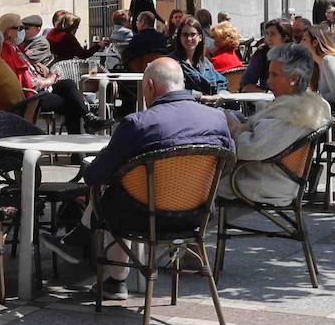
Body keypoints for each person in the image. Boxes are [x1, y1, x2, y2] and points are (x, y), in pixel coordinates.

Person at [40, 58, 233, 297]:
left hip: (143, 215)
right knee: (127, 190)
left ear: (149, 86)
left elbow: (94, 175)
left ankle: (102, 266)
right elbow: (226, 161)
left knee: (110, 192)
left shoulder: (139, 123)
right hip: (196, 214)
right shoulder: (216, 119)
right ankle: (111, 278)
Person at [220, 44, 332, 203]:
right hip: (270, 176)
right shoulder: (306, 105)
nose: (268, 81)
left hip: (264, 182)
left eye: (274, 75)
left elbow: (250, 149)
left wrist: (233, 127)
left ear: (294, 79)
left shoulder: (294, 113)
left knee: (198, 178)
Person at [0, 13, 90, 132]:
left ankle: (88, 119)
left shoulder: (14, 47)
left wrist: (46, 75)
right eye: (20, 28)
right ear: (8, 32)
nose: (23, 31)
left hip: (38, 87)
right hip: (31, 97)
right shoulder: (5, 51)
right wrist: (47, 81)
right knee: (71, 104)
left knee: (68, 84)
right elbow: (22, 80)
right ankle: (80, 138)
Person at [169, 19, 227, 95]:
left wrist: (221, 94)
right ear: (179, 38)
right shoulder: (172, 63)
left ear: (200, 37)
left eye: (193, 34)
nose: (189, 38)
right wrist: (199, 96)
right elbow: (171, 88)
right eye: (185, 35)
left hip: (212, 104)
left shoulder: (205, 62)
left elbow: (221, 81)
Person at [242, 18, 293, 92]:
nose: (268, 38)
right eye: (267, 34)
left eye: (273, 34)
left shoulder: (296, 54)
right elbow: (247, 83)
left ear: (285, 37)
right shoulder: (262, 53)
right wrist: (265, 94)